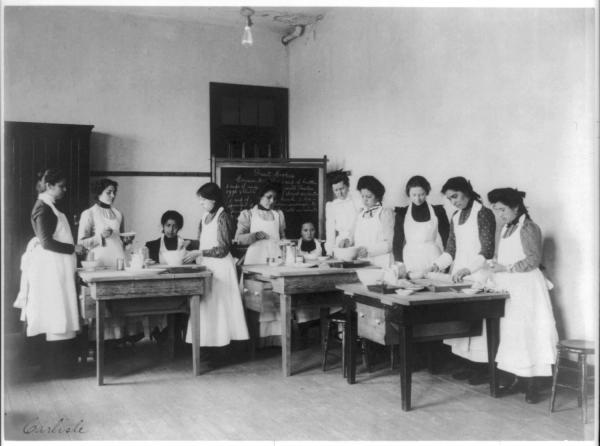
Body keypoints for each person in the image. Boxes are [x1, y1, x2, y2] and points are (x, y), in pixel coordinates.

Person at [487, 187, 558, 404]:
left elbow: (533, 260)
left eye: (502, 209)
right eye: (496, 210)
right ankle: (519, 378)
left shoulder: (528, 227)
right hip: (513, 289)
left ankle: (534, 384)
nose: (499, 214)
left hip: (528, 289)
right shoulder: (506, 229)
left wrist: (505, 268)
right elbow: (506, 256)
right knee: (513, 334)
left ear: (516, 207)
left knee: (529, 334)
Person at [15, 169, 85, 373]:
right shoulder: (43, 207)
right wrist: (74, 248)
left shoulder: (50, 207)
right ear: (49, 186)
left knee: (60, 312)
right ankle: (50, 365)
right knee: (52, 314)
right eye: (61, 186)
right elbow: (46, 242)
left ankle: (59, 364)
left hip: (58, 270)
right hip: (49, 271)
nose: (65, 189)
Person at [431, 176, 496, 384]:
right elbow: (451, 249)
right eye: (450, 199)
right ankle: (468, 364)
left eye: (456, 196)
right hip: (460, 273)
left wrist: (469, 269)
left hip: (478, 272)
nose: (454, 202)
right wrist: (436, 265)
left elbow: (487, 250)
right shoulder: (456, 216)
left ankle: (483, 368)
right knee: (462, 320)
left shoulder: (483, 213)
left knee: (478, 321)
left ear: (466, 191)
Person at [185, 183, 249, 360]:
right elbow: (204, 243)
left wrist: (199, 252)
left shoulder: (223, 217)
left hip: (221, 268)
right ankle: (208, 347)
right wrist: (189, 244)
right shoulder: (204, 216)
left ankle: (222, 350)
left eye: (203, 200)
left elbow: (222, 249)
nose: (201, 204)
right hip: (208, 266)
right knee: (207, 308)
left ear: (213, 200)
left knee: (221, 309)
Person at [78, 179, 144, 343]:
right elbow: (81, 242)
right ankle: (102, 341)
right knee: (103, 300)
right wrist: (100, 236)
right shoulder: (89, 213)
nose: (113, 195)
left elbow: (120, 239)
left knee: (119, 298)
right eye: (109, 192)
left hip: (118, 258)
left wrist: (127, 242)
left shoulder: (119, 214)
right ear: (99, 192)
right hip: (99, 260)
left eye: (114, 192)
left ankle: (120, 339)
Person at [235, 181, 286, 345]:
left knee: (275, 299)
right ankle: (254, 341)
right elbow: (238, 238)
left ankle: (275, 340)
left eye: (274, 198)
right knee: (256, 300)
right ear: (260, 196)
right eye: (268, 197)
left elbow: (282, 236)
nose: (271, 201)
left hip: (275, 260)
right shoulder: (248, 214)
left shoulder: (278, 215)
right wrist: (255, 235)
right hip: (255, 260)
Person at [145, 210, 197, 343]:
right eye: (168, 225)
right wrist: (146, 263)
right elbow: (145, 266)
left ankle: (178, 337)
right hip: (158, 287)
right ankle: (162, 334)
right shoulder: (152, 245)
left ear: (179, 227)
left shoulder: (185, 244)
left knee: (184, 305)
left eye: (175, 226)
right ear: (162, 226)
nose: (171, 229)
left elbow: (193, 263)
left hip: (181, 287)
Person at [393, 175, 450, 274]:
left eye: (421, 194)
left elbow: (447, 239)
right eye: (414, 195)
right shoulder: (402, 213)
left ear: (427, 192)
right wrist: (399, 264)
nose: (418, 198)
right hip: (410, 258)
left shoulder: (438, 211)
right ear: (408, 194)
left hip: (433, 257)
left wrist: (447, 263)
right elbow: (397, 241)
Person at [354, 175, 395, 268]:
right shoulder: (360, 214)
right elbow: (355, 238)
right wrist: (347, 240)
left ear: (377, 197)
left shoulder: (385, 213)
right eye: (363, 196)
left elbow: (389, 244)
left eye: (369, 196)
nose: (365, 199)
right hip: (363, 262)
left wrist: (368, 250)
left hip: (381, 262)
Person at [325, 170, 359, 254]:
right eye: (336, 190)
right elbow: (330, 231)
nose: (339, 193)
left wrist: (350, 239)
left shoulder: (358, 201)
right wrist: (329, 252)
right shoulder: (331, 206)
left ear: (348, 186)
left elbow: (359, 223)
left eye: (342, 188)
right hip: (340, 243)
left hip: (358, 239)